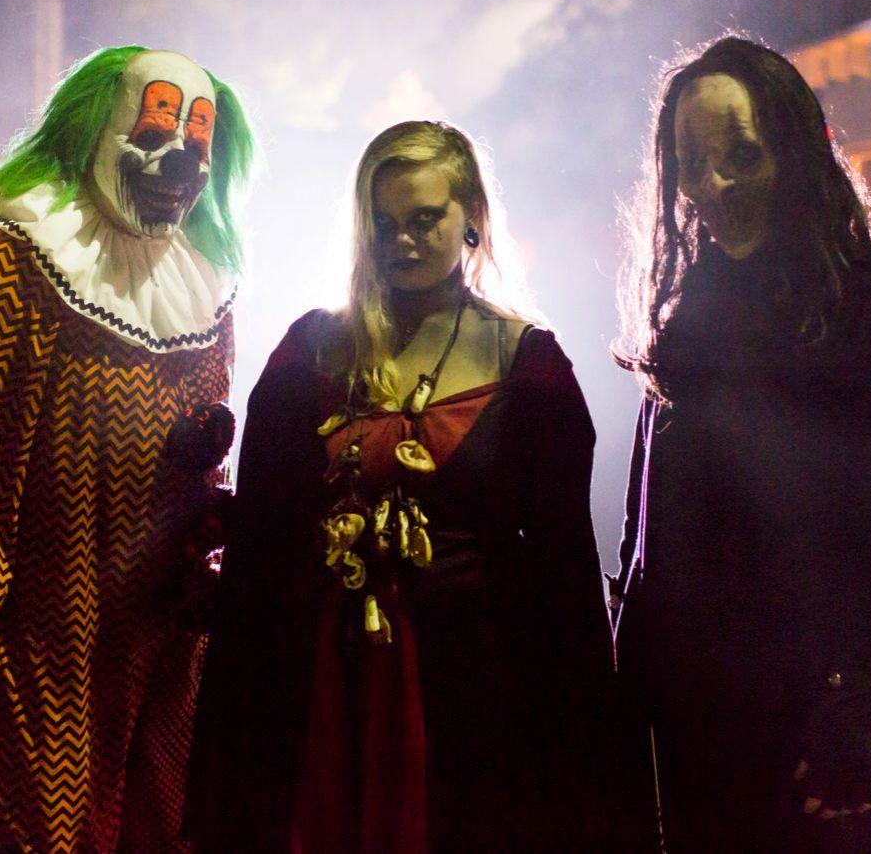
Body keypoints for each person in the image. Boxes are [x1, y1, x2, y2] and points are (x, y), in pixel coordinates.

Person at [187, 120, 626, 852]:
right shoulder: (308, 352)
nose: (403, 241)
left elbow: (564, 578)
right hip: (320, 684)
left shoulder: (530, 368)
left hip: (471, 694)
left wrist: (581, 776)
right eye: (384, 223)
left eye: (425, 219)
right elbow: (257, 555)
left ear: (472, 218)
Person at [0, 46, 255, 852]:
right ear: (95, 131)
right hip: (41, 621)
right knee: (31, 820)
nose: (179, 165)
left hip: (159, 623)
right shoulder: (16, 264)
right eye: (154, 134)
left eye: (196, 146)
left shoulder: (202, 281)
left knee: (158, 818)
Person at [611, 36, 871, 853]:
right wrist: (630, 673)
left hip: (816, 714)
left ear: (793, 152)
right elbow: (649, 518)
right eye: (693, 162)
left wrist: (856, 713)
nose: (714, 184)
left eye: (741, 154)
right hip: (701, 713)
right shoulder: (686, 318)